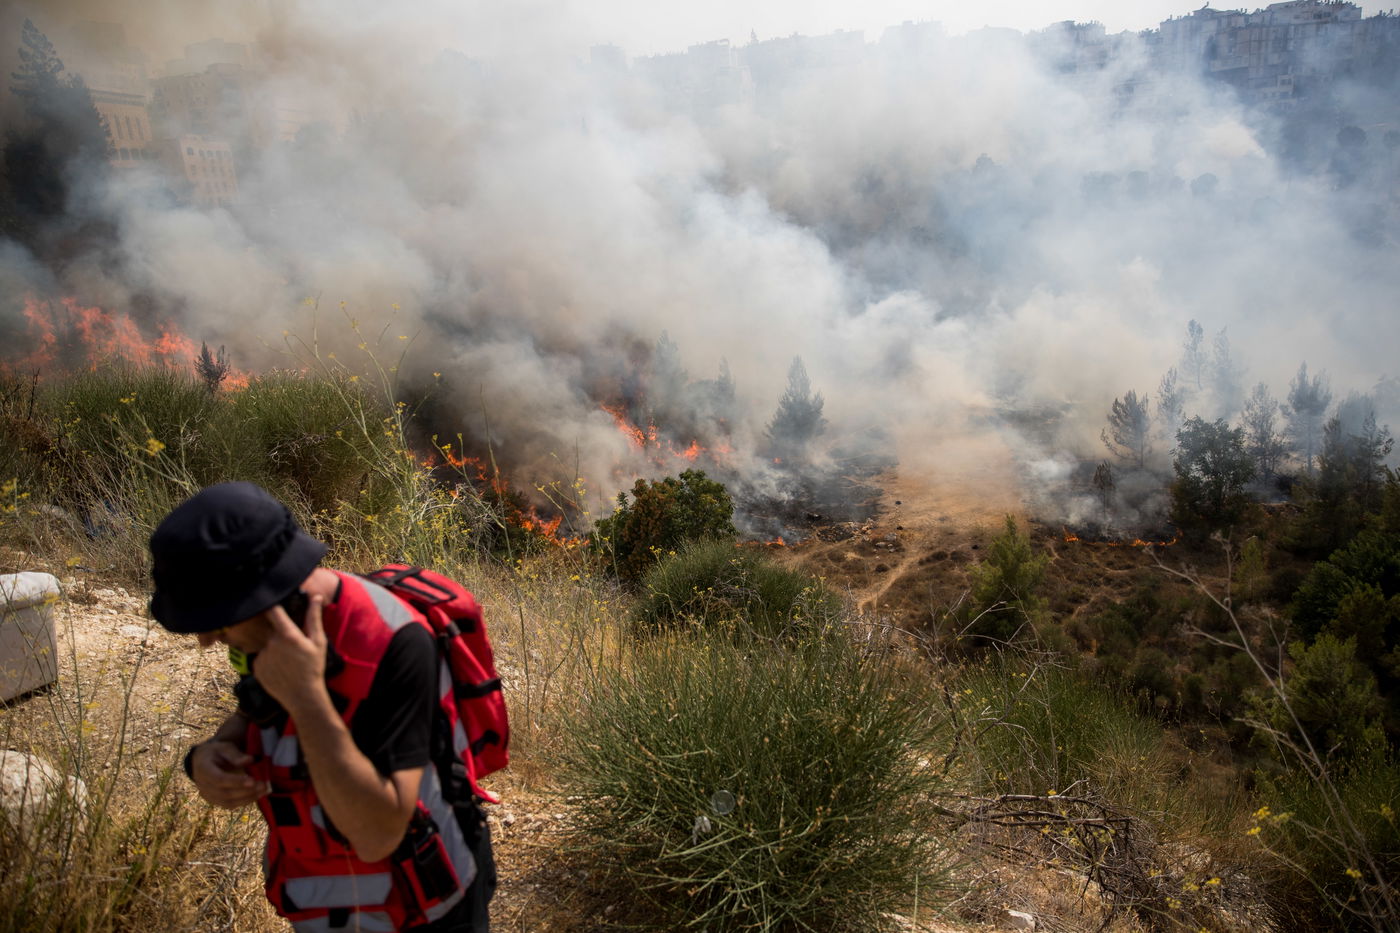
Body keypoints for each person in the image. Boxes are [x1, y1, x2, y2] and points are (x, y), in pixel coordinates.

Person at [149, 481, 496, 932]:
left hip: (428, 912)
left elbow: (378, 835)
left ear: (270, 593)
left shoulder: (397, 643)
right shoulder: (268, 634)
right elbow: (255, 715)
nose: (206, 639)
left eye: (217, 619)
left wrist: (307, 698)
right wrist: (203, 760)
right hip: (328, 908)